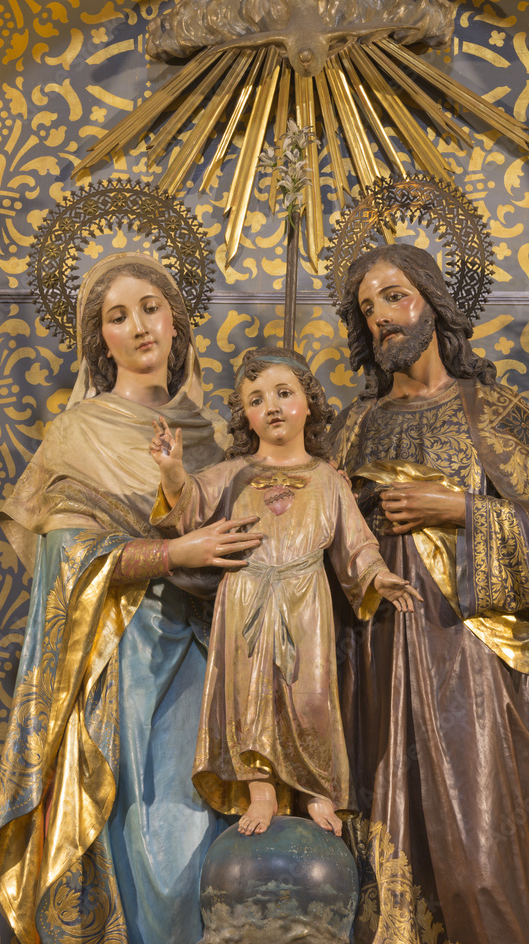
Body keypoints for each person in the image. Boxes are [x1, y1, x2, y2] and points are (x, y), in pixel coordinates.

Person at [0, 253, 263, 944]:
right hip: (118, 663)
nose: (139, 325)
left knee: (207, 844)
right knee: (143, 838)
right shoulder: (78, 433)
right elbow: (65, 559)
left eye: (150, 308)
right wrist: (176, 553)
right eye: (117, 316)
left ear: (175, 321)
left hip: (211, 661)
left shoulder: (219, 435)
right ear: (99, 340)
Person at [329, 244, 529, 944]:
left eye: (393, 296)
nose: (381, 316)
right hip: (374, 658)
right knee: (380, 861)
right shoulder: (352, 427)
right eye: (367, 308)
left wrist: (462, 511)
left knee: (478, 860)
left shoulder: (490, 409)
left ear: (432, 302)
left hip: (467, 664)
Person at [148, 347, 421, 838]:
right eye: (256, 399)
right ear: (245, 415)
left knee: (310, 697)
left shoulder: (326, 479)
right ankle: (261, 789)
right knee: (249, 695)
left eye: (283, 393)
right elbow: (187, 512)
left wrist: (378, 576)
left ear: (309, 403)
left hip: (305, 600)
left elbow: (355, 543)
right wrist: (171, 470)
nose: (271, 406)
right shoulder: (234, 474)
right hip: (246, 597)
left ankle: (317, 791)